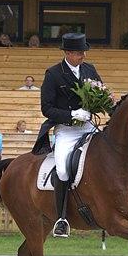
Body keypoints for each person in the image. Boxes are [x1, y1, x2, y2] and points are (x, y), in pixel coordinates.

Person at [35, 32, 102, 238]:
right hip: (66, 130)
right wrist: (72, 114)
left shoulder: (89, 69)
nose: (83, 56)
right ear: (69, 53)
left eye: (83, 52)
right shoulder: (54, 74)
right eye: (80, 52)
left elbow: (102, 92)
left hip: (89, 126)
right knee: (63, 170)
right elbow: (46, 108)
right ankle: (62, 219)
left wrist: (102, 104)